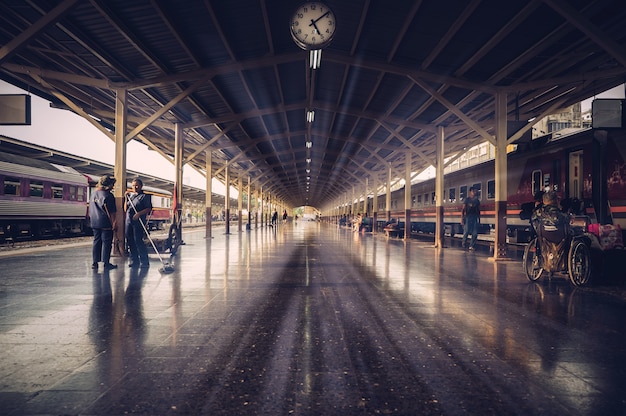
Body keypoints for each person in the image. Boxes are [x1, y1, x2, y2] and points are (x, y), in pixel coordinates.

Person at [89, 175, 117, 270]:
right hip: (106, 222)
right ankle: (106, 263)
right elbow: (112, 212)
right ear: (108, 185)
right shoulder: (109, 195)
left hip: (94, 222)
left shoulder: (93, 194)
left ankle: (95, 263)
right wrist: (114, 222)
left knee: (96, 241)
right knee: (106, 242)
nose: (113, 186)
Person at [125, 178, 152, 268]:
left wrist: (139, 214)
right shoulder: (131, 197)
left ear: (141, 186)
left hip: (138, 221)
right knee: (130, 240)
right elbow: (125, 209)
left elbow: (149, 208)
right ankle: (134, 260)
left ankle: (144, 261)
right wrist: (126, 198)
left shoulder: (145, 196)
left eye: (137, 185)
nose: (135, 187)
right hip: (129, 221)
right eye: (133, 185)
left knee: (138, 240)